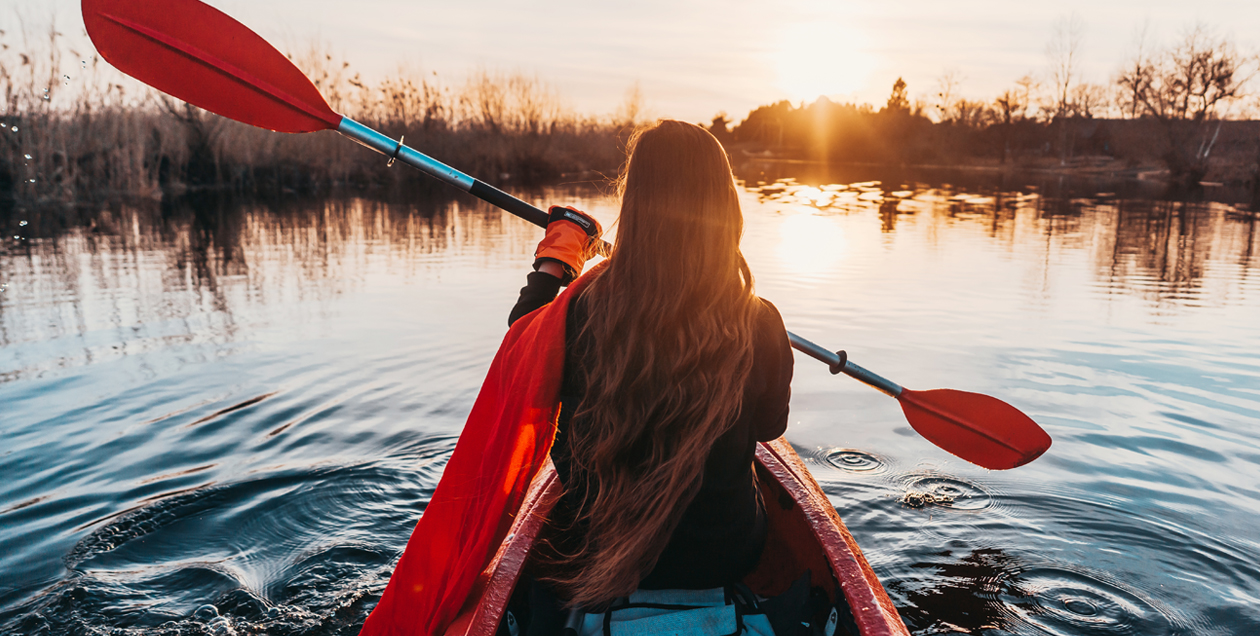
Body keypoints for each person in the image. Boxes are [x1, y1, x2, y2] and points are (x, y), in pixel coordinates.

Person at [509, 119, 794, 612]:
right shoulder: (760, 320)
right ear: (724, 205)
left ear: (635, 202)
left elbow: (521, 344)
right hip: (724, 557)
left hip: (591, 550)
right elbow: (770, 427)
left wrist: (557, 258)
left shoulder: (582, 307)